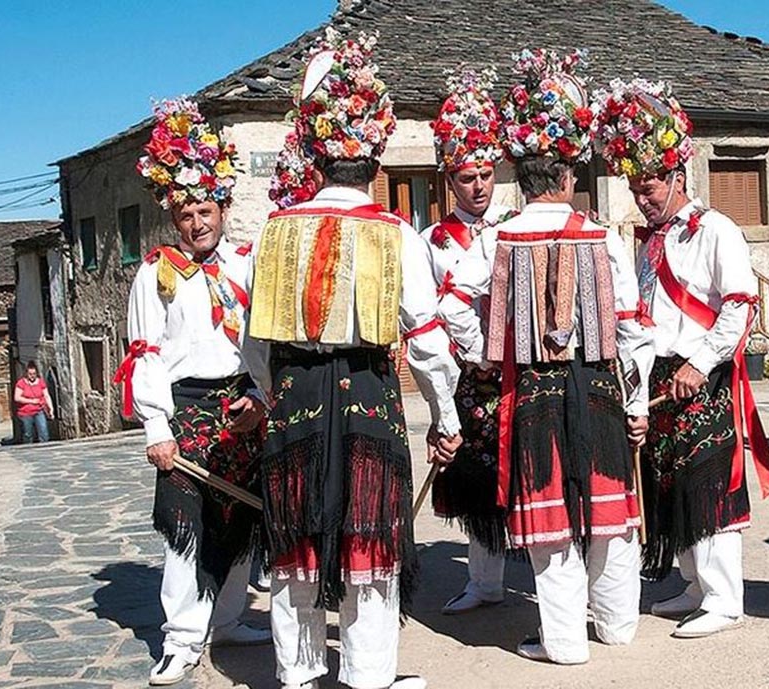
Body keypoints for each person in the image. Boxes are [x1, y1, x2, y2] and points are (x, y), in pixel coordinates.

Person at [247, 29, 461, 689]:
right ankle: (369, 678)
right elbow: (426, 341)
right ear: (374, 154)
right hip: (369, 395)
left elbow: (253, 345)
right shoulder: (396, 234)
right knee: (369, 539)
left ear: (312, 154)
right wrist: (446, 418)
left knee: (296, 544)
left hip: (293, 401)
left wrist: (267, 391)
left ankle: (299, 674)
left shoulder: (275, 232)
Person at [439, 48, 653, 665]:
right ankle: (617, 625)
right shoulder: (603, 237)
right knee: (610, 511)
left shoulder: (497, 238)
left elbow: (452, 304)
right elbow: (634, 328)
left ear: (520, 175)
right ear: (566, 175)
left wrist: (487, 351)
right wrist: (636, 400)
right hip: (601, 389)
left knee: (549, 519)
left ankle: (563, 642)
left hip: (531, 390)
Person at [595, 78, 769, 638]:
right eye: (634, 186)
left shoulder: (716, 228)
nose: (641, 196)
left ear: (677, 176)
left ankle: (725, 598)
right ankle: (694, 585)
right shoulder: (648, 241)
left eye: (649, 185)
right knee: (669, 481)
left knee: (706, 482)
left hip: (706, 375)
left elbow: (742, 306)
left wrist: (700, 364)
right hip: (662, 374)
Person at [122, 98, 271, 685]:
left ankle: (230, 619)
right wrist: (156, 426)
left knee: (239, 519)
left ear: (223, 208)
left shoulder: (247, 263)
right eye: (186, 214)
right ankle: (182, 638)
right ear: (173, 217)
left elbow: (263, 338)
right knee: (186, 530)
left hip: (241, 406)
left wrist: (261, 397)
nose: (197, 223)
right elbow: (146, 352)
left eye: (205, 210)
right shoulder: (155, 272)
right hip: (186, 410)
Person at [422, 66, 516, 615]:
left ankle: (546, 576)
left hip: (518, 369)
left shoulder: (516, 226)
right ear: (448, 181)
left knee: (527, 469)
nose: (477, 186)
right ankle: (484, 580)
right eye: (466, 177)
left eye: (485, 174)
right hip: (466, 375)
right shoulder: (432, 241)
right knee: (477, 481)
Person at [14, 361, 53, 443]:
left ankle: (45, 448)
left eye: (34, 374)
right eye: (30, 374)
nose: (32, 376)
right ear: (26, 374)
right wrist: (32, 401)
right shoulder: (21, 383)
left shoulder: (41, 382)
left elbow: (46, 395)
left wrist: (51, 408)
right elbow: (17, 398)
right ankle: (29, 450)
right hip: (25, 412)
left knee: (44, 432)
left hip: (39, 410)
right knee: (28, 434)